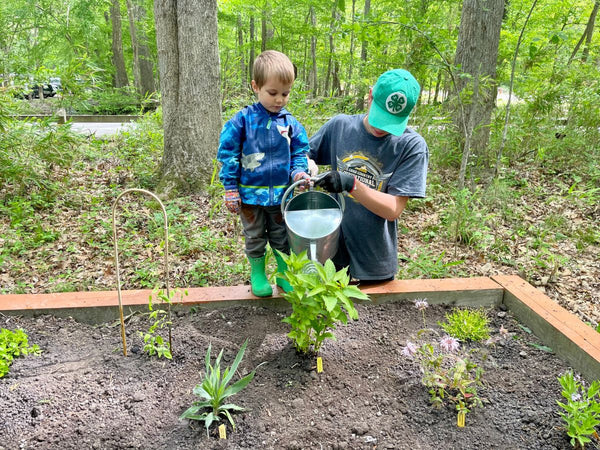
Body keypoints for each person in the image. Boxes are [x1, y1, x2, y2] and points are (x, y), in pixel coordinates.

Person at [308, 69, 429, 282]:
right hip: (331, 250)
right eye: (379, 116)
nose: (381, 128)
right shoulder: (340, 126)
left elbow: (393, 209)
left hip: (374, 257)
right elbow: (304, 154)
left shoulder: (411, 146)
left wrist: (350, 184)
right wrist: (307, 167)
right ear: (370, 95)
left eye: (391, 121)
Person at [217, 50, 310, 297]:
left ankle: (282, 272)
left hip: (281, 196)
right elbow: (228, 153)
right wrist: (230, 187)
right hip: (249, 196)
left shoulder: (290, 123)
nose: (279, 99)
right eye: (273, 93)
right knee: (255, 235)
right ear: (255, 86)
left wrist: (298, 172)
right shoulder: (242, 121)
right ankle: (257, 273)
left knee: (282, 236)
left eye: (285, 94)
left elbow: (300, 150)